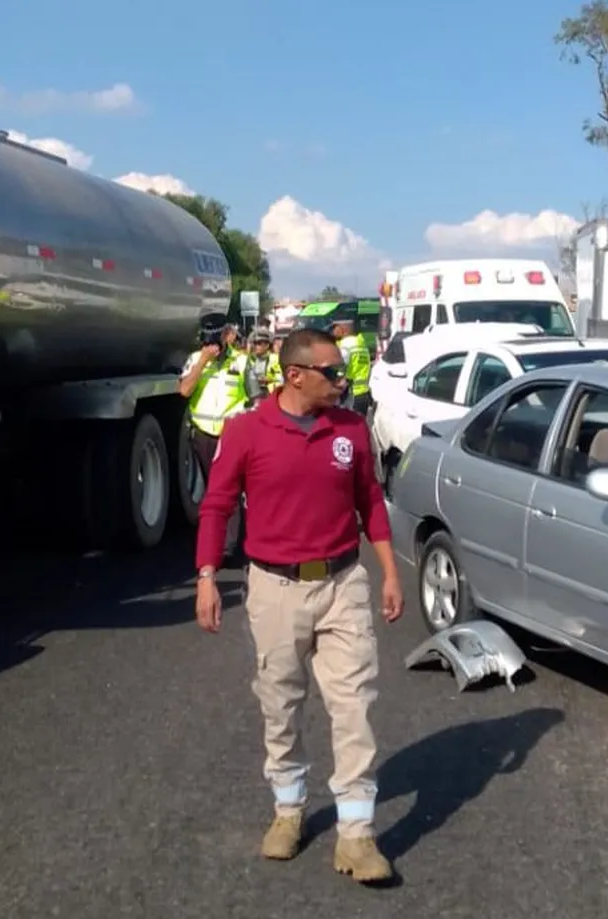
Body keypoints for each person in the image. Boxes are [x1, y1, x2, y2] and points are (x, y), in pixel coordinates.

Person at [194, 327, 404, 884]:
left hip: (342, 584)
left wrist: (388, 571)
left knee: (353, 703)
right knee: (281, 703)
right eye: (332, 373)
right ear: (295, 375)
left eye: (341, 372)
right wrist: (207, 576)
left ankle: (357, 835)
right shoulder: (246, 431)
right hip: (274, 589)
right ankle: (288, 811)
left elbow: (371, 503)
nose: (343, 380)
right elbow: (215, 506)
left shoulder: (351, 429)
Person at [178, 312, 247, 481]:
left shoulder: (241, 361)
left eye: (215, 341)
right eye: (208, 341)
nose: (211, 346)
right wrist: (202, 363)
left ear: (225, 335)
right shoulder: (195, 359)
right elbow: (184, 391)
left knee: (232, 487)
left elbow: (255, 399)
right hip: (204, 435)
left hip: (233, 434)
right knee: (213, 486)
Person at [332, 318, 372, 415]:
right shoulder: (361, 344)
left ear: (342, 329)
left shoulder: (345, 346)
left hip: (350, 395)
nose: (333, 331)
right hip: (363, 393)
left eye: (334, 328)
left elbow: (340, 369)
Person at [242, 327, 278, 403]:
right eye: (254, 343)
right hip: (251, 399)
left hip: (270, 399)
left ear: (267, 345)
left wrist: (270, 380)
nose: (255, 346)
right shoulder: (248, 360)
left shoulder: (276, 359)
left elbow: (283, 381)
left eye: (258, 343)